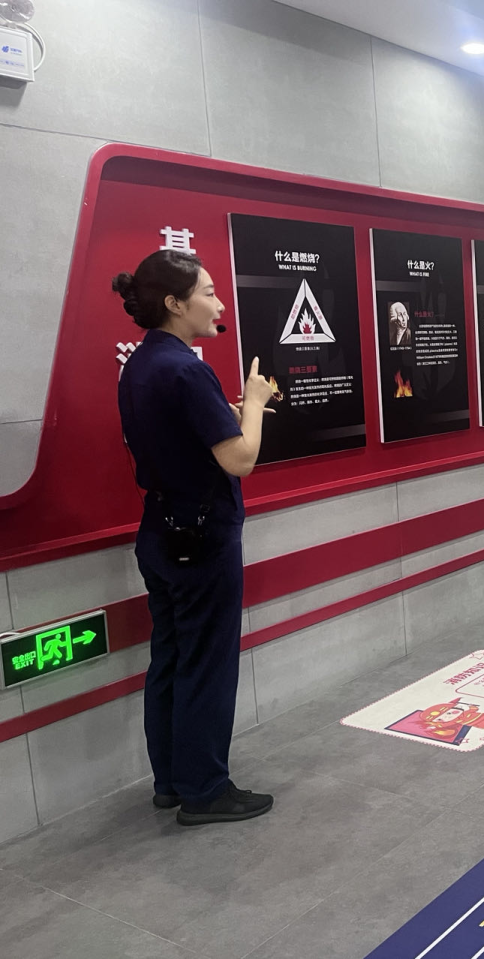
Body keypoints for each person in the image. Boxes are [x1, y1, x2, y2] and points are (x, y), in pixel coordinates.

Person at [114, 250, 276, 826]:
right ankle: (205, 790)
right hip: (202, 539)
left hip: (159, 533)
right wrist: (254, 404)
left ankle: (171, 782)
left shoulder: (141, 364)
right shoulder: (186, 368)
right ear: (174, 303)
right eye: (208, 293)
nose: (219, 304)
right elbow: (240, 458)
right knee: (206, 661)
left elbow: (176, 436)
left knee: (172, 656)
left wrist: (226, 412)